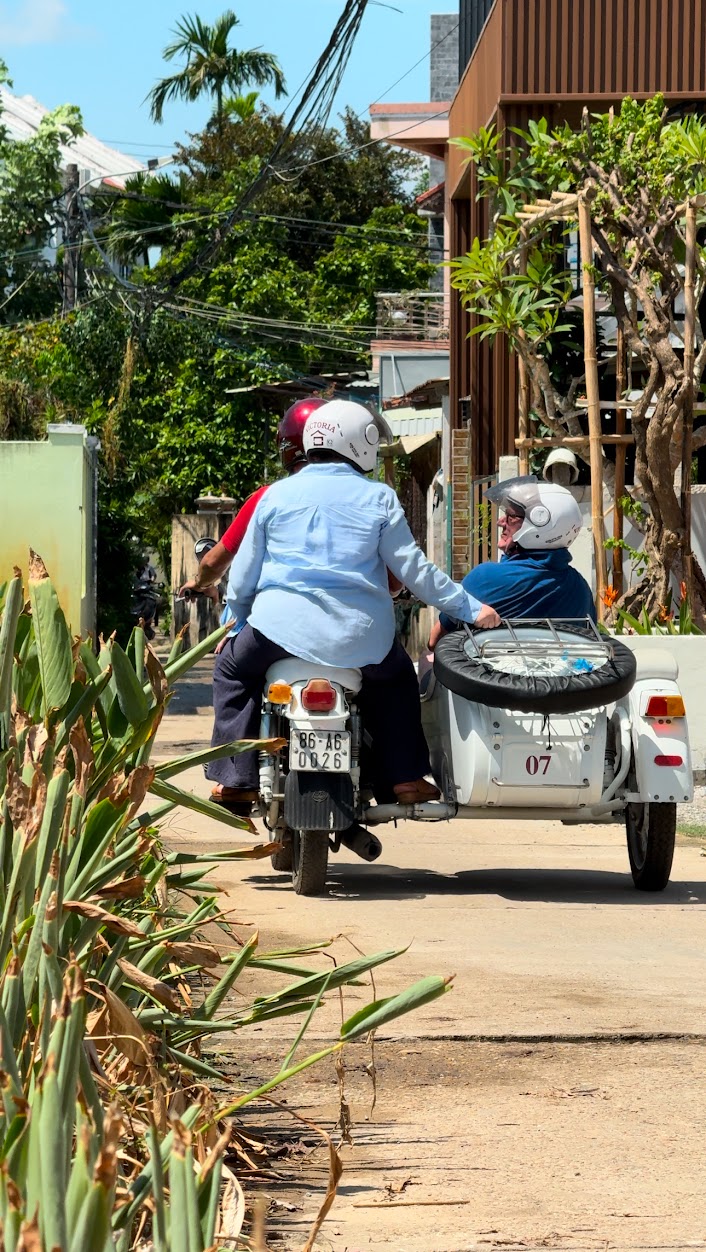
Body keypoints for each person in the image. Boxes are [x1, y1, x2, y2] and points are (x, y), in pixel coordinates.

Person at [206, 399, 501, 814]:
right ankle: (406, 779)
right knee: (398, 681)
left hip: (275, 633)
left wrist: (235, 623)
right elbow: (413, 571)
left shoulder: (273, 496)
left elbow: (241, 579)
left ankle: (235, 780)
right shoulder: (379, 498)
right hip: (363, 641)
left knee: (232, 670)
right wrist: (473, 609)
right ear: (360, 443)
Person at [178, 396, 326, 601]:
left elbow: (213, 563)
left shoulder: (268, 498)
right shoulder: (370, 498)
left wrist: (201, 581)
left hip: (285, 620)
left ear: (285, 444)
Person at [428, 476, 595, 650]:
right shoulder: (580, 589)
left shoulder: (486, 578)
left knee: (426, 662)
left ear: (540, 525)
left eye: (511, 517)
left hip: (490, 676)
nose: (501, 522)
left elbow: (434, 641)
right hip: (561, 676)